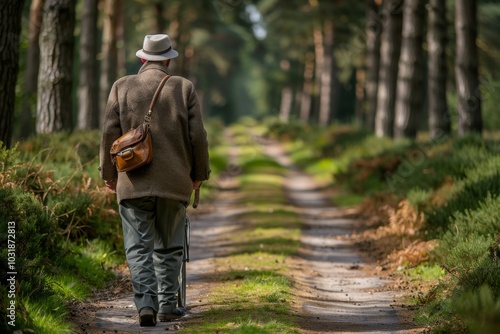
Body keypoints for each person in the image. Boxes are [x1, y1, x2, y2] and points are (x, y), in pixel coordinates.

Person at [99, 34, 210, 327]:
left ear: (142, 59)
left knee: (138, 247)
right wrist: (199, 175)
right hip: (174, 182)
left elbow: (109, 134)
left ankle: (145, 304)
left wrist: (109, 175)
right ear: (169, 59)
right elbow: (198, 137)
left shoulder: (121, 86)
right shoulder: (183, 87)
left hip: (133, 182)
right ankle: (167, 305)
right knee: (170, 247)